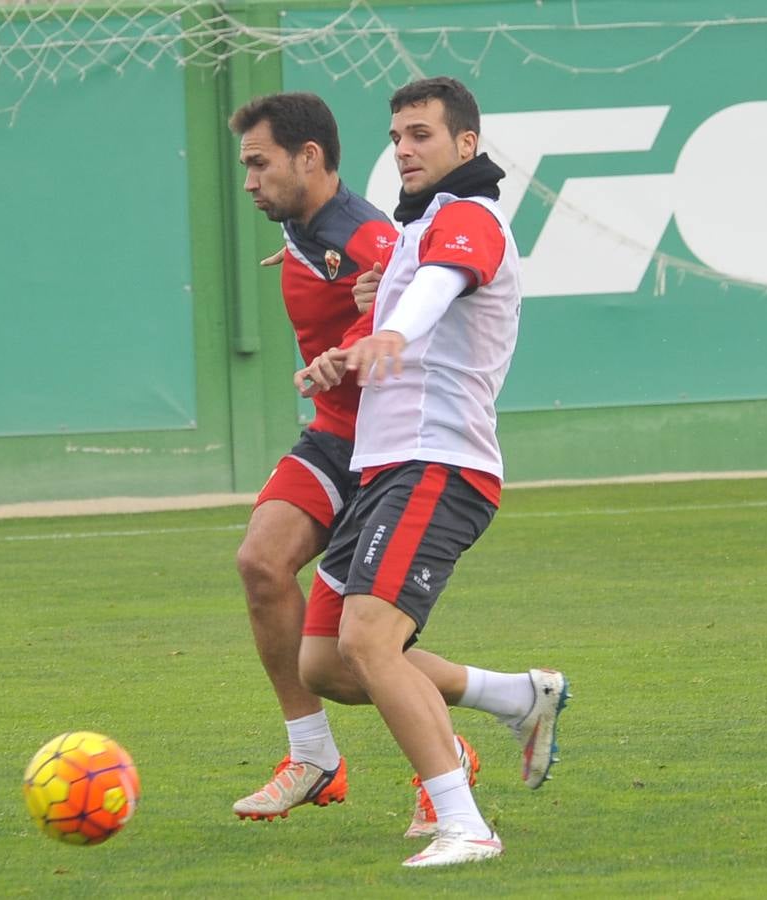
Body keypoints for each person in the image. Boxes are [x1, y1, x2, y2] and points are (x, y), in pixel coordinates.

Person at [228, 93, 567, 838]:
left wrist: (380, 332)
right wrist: (364, 329)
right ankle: (510, 699)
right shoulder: (407, 226)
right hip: (368, 448)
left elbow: (442, 286)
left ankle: (460, 820)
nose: (249, 180)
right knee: (325, 658)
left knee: (371, 643)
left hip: (417, 455)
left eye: (421, 134)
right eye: (397, 137)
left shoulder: (431, 223)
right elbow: (409, 290)